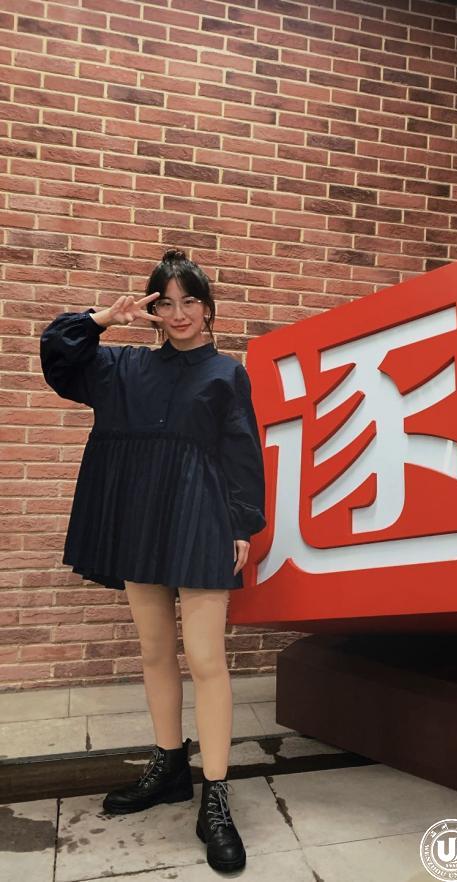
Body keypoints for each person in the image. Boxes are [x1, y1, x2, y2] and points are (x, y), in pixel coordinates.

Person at [39, 249, 267, 876]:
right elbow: (57, 356)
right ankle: (169, 766)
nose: (179, 312)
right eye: (165, 302)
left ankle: (215, 793)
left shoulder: (226, 373)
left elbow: (242, 449)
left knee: (206, 657)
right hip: (141, 519)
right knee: (154, 650)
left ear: (208, 308)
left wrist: (242, 523)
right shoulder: (121, 367)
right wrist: (100, 320)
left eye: (190, 300)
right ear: (152, 311)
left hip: (201, 518)